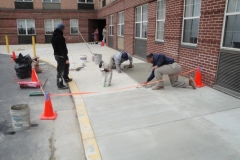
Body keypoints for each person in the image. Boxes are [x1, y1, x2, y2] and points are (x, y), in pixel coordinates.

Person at [51, 22, 72, 90]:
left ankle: (66, 77)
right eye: (63, 29)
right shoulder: (60, 37)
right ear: (62, 29)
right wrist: (65, 57)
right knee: (60, 70)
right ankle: (60, 84)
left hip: (57, 55)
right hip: (61, 56)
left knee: (66, 65)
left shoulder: (53, 36)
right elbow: (62, 48)